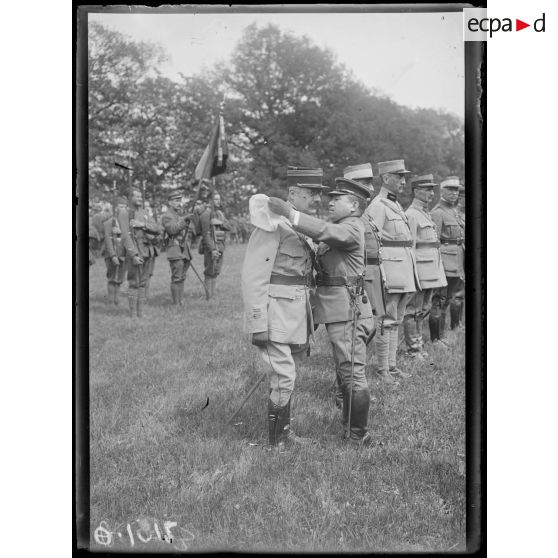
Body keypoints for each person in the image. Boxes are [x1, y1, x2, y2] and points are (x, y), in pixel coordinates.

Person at [268, 175, 374, 446]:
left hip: (348, 310)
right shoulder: (340, 226)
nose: (330, 202)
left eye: (337, 199)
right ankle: (351, 430)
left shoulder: (352, 227)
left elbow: (324, 231)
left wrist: (291, 214)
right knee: (346, 370)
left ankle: (358, 436)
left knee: (352, 371)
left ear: (354, 206)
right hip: (336, 309)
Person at [241, 167, 323, 449]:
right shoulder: (271, 225)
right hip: (274, 313)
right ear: (292, 193)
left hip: (295, 313)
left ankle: (283, 435)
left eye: (319, 194)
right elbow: (253, 277)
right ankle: (278, 441)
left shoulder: (301, 227)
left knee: (285, 376)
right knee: (284, 376)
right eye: (311, 193)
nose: (317, 199)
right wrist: (257, 322)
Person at [363, 159, 419, 383]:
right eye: (399, 176)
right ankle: (382, 369)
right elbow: (372, 242)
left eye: (404, 177)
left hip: (402, 269)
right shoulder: (378, 205)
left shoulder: (393, 204)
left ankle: (392, 367)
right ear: (386, 178)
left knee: (396, 319)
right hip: (389, 269)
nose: (404, 181)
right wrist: (380, 273)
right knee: (386, 320)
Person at [403, 175, 447, 356]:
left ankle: (418, 346)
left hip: (429, 270)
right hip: (419, 271)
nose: (432, 193)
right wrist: (411, 273)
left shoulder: (424, 212)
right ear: (416, 191)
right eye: (428, 189)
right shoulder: (412, 214)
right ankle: (413, 350)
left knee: (422, 310)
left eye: (432, 189)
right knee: (413, 310)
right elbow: (410, 247)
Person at [430, 177, 465, 340]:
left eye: (456, 190)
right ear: (442, 191)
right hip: (444, 261)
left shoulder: (454, 211)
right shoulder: (438, 212)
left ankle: (442, 336)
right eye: (450, 189)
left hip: (457, 260)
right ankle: (436, 338)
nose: (454, 193)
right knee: (440, 299)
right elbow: (434, 241)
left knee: (448, 299)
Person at [119, 188, 163, 318]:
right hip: (136, 252)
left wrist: (143, 225)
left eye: (140, 196)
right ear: (130, 198)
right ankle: (133, 314)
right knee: (134, 283)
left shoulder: (144, 212)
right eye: (137, 196)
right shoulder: (124, 213)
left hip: (148, 251)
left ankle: (141, 313)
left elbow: (157, 229)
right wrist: (133, 255)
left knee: (143, 283)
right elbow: (125, 236)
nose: (140, 198)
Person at [161, 190, 193, 307]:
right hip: (174, 248)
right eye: (176, 201)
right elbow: (172, 230)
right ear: (170, 202)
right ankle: (176, 303)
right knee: (177, 277)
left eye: (180, 201)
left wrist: (186, 221)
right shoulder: (167, 216)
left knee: (182, 276)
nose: (179, 203)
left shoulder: (178, 215)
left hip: (183, 249)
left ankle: (181, 301)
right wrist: (185, 220)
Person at [200, 191, 228, 299]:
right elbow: (205, 235)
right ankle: (209, 297)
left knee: (216, 271)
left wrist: (220, 223)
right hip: (211, 247)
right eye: (216, 199)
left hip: (220, 246)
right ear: (209, 201)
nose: (218, 201)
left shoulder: (219, 214)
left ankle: (213, 295)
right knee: (209, 272)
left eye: (219, 199)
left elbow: (229, 227)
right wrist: (212, 249)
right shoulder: (206, 215)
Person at [102, 196, 129, 305]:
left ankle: (117, 300)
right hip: (111, 255)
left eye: (125, 207)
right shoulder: (109, 223)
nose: (123, 209)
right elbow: (108, 240)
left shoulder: (127, 223)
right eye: (121, 206)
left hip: (123, 254)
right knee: (112, 278)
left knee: (120, 279)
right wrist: (113, 255)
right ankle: (110, 301)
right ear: (116, 208)